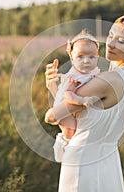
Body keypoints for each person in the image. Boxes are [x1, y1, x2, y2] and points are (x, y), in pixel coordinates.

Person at [45, 14, 124, 192]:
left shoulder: (105, 81)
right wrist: (55, 87)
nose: (110, 44)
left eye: (120, 41)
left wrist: (54, 88)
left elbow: (52, 116)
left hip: (82, 162)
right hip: (108, 161)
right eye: (110, 36)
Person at [47, 29, 101, 162]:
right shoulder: (73, 77)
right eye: (80, 57)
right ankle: (62, 151)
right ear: (72, 58)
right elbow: (69, 96)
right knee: (71, 133)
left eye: (91, 57)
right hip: (63, 111)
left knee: (78, 132)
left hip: (73, 110)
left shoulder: (94, 73)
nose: (86, 61)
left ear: (98, 57)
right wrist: (82, 100)